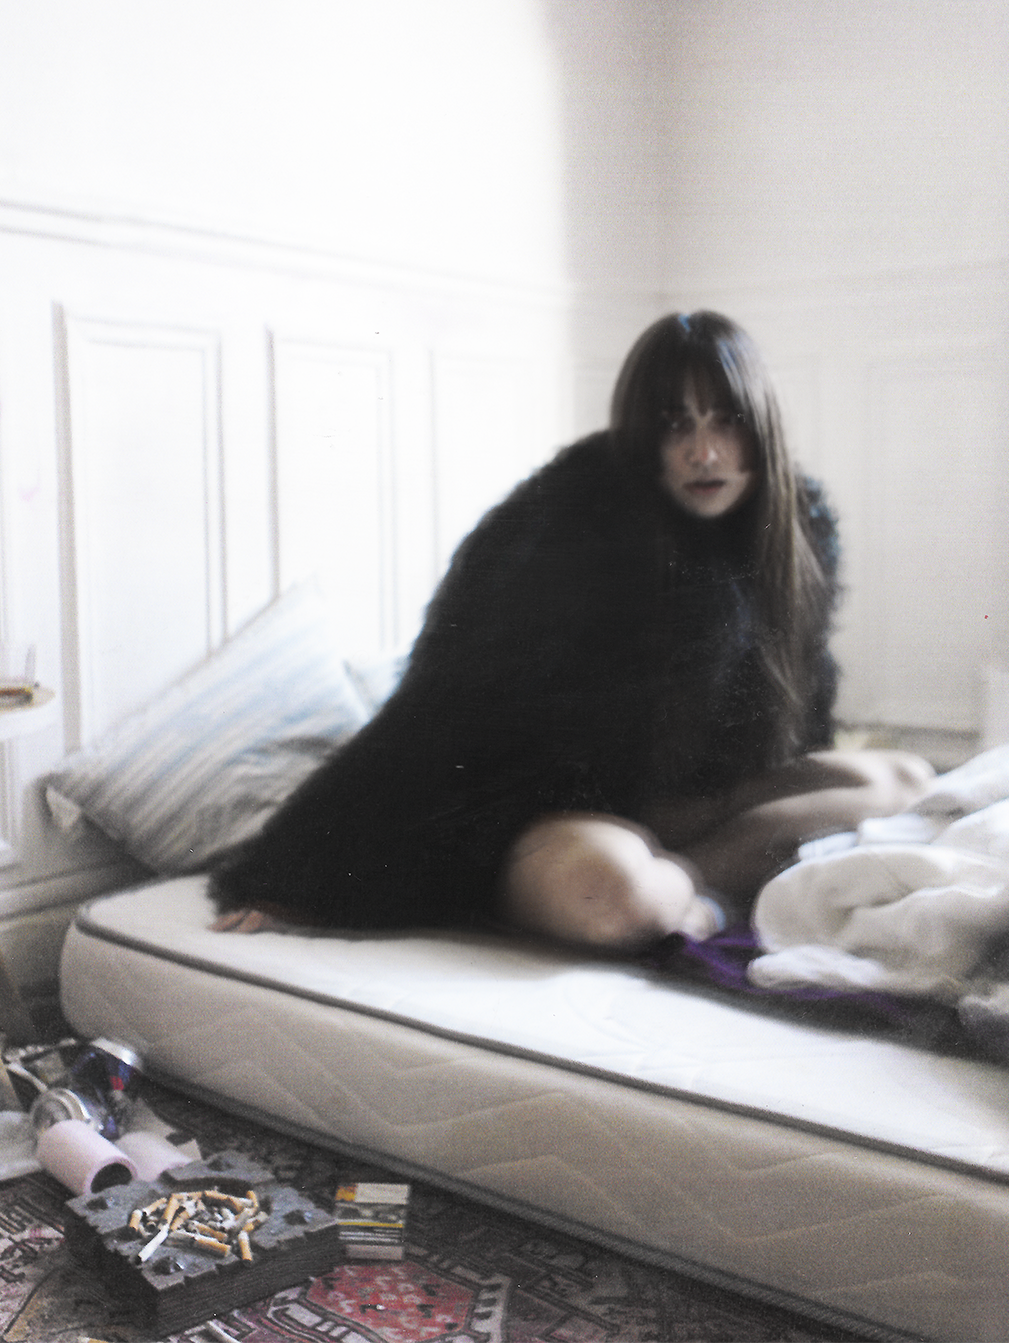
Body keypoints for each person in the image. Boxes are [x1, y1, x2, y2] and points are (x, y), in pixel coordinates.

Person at [209, 312, 933, 951]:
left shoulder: (793, 534)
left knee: (907, 779)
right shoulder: (564, 527)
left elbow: (798, 711)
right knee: (619, 898)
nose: (704, 452)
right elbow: (436, 712)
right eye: (676, 425)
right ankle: (698, 886)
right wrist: (299, 879)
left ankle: (699, 882)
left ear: (759, 428)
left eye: (725, 421)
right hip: (560, 819)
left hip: (694, 807)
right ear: (644, 436)